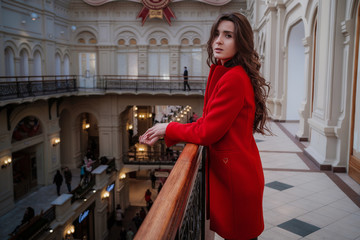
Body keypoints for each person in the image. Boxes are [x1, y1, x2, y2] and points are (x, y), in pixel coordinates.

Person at [139, 12, 271, 240]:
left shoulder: (233, 78)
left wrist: (168, 129)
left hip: (237, 179)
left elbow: (208, 132)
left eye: (228, 35)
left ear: (241, 42)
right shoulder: (228, 73)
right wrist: (167, 128)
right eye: (217, 34)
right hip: (238, 172)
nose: (218, 40)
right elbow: (210, 121)